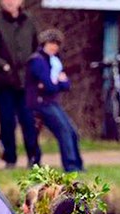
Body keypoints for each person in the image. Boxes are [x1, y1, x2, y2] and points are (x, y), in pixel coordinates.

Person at [0, 0, 41, 169]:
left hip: (26, 82)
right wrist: (3, 65)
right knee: (7, 122)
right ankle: (10, 159)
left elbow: (37, 49)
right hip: (4, 82)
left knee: (28, 121)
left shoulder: (29, 22)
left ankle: (34, 158)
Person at [26, 29, 83, 173]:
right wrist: (57, 82)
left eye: (57, 44)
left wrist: (56, 83)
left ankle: (78, 165)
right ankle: (70, 166)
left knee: (72, 132)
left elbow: (66, 85)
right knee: (63, 131)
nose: (54, 47)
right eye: (51, 43)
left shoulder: (54, 61)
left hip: (51, 102)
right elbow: (50, 86)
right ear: (44, 43)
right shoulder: (37, 61)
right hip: (40, 103)